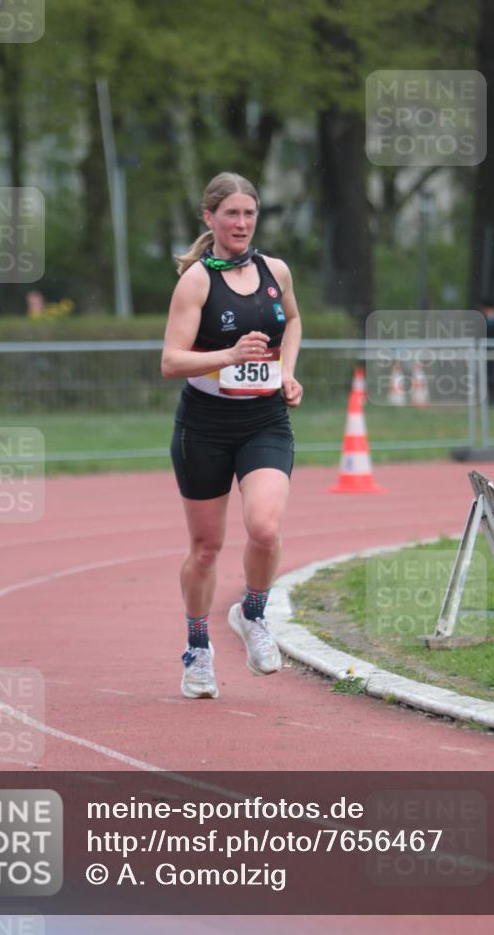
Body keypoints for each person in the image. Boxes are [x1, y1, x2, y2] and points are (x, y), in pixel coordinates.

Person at [161, 172, 303, 699]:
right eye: (231, 214)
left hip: (264, 419)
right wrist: (229, 355)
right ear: (210, 219)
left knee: (264, 528)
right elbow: (171, 360)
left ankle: (254, 613)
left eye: (249, 214)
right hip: (204, 426)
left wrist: (286, 372)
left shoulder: (276, 271)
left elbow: (292, 322)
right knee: (206, 546)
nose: (241, 223)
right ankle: (198, 647)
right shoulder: (196, 280)